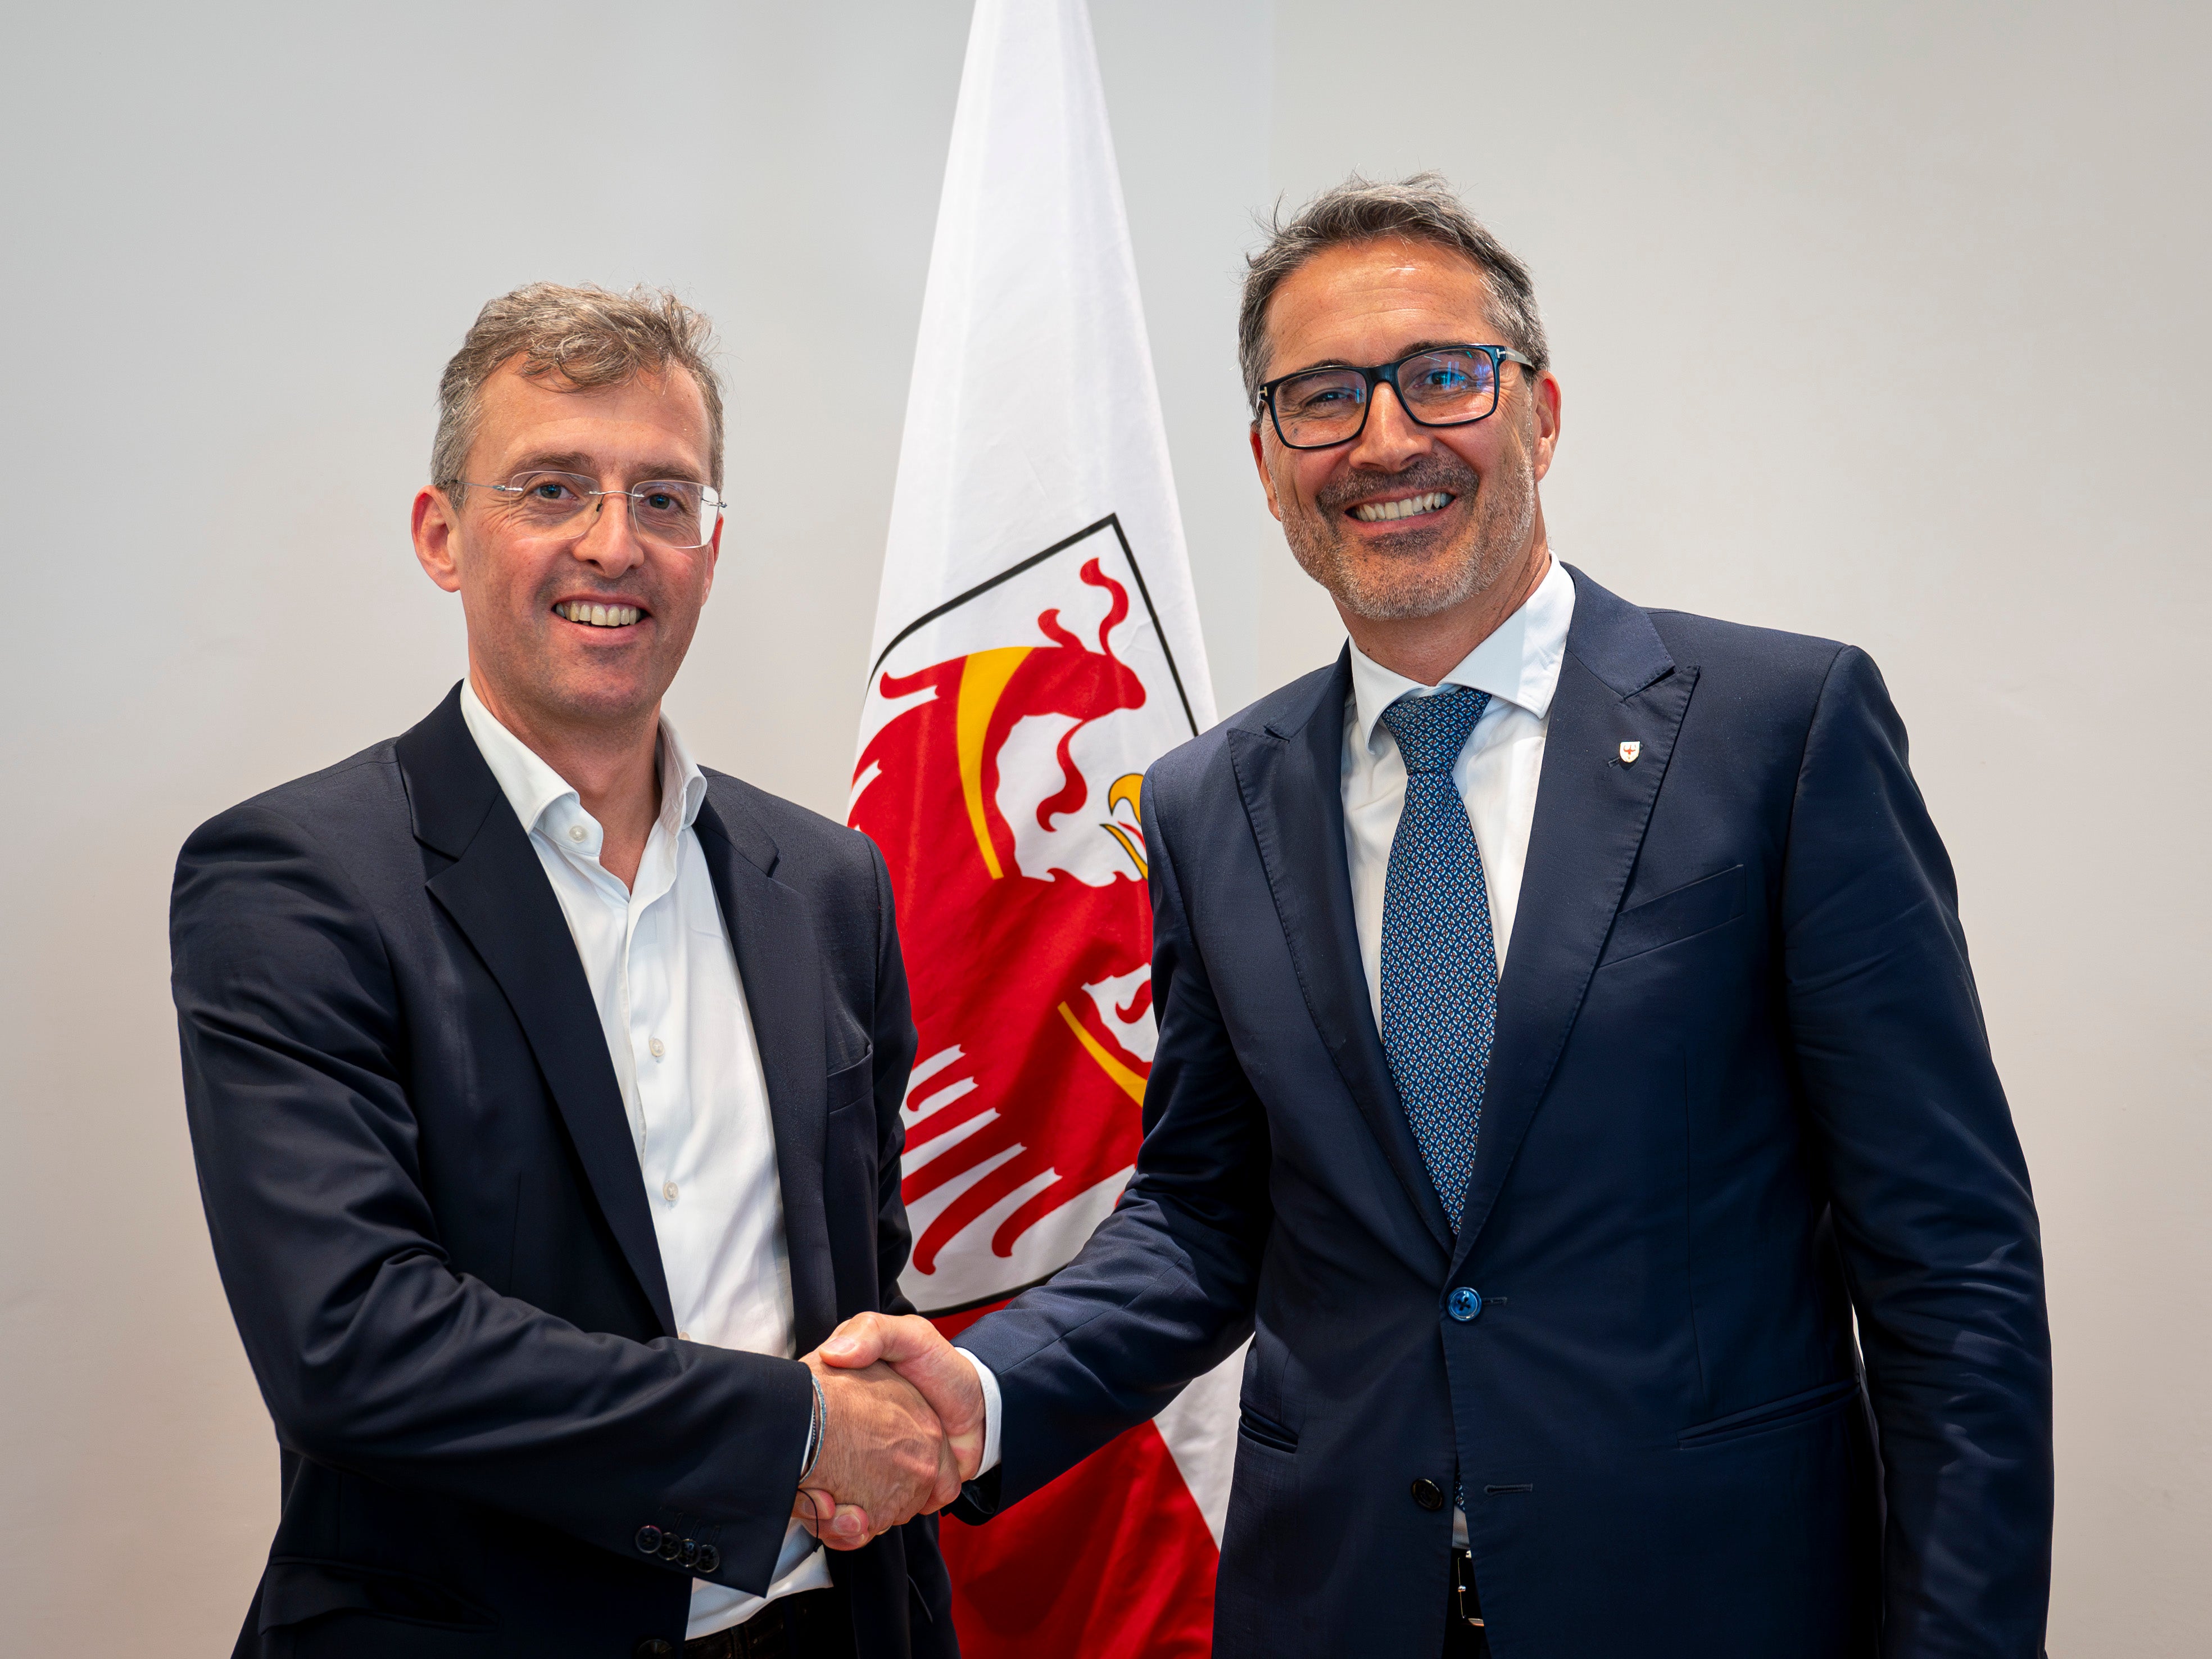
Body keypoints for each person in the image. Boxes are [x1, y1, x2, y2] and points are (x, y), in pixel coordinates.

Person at [816, 176, 2055, 1656]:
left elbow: (1953, 1263)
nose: (1387, 439)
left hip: (1712, 1603)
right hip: (1340, 1604)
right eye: (1324, 399)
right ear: (1272, 467)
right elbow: (1209, 1216)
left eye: (1442, 378)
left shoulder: (1780, 736)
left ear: (1540, 413)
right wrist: (992, 1386)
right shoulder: (1211, 802)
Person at [172, 284, 962, 1659]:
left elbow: (859, 1281)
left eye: (666, 498)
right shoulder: (294, 880)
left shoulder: (827, 884)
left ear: (712, 547)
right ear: (442, 534)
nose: (617, 544)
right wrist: (799, 1432)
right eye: (553, 487)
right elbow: (354, 1343)